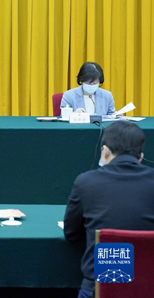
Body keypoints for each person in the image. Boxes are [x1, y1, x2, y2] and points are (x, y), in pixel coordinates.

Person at [64, 121, 154, 298]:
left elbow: (71, 233)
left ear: (104, 151)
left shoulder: (86, 182)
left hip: (98, 288)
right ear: (141, 156)